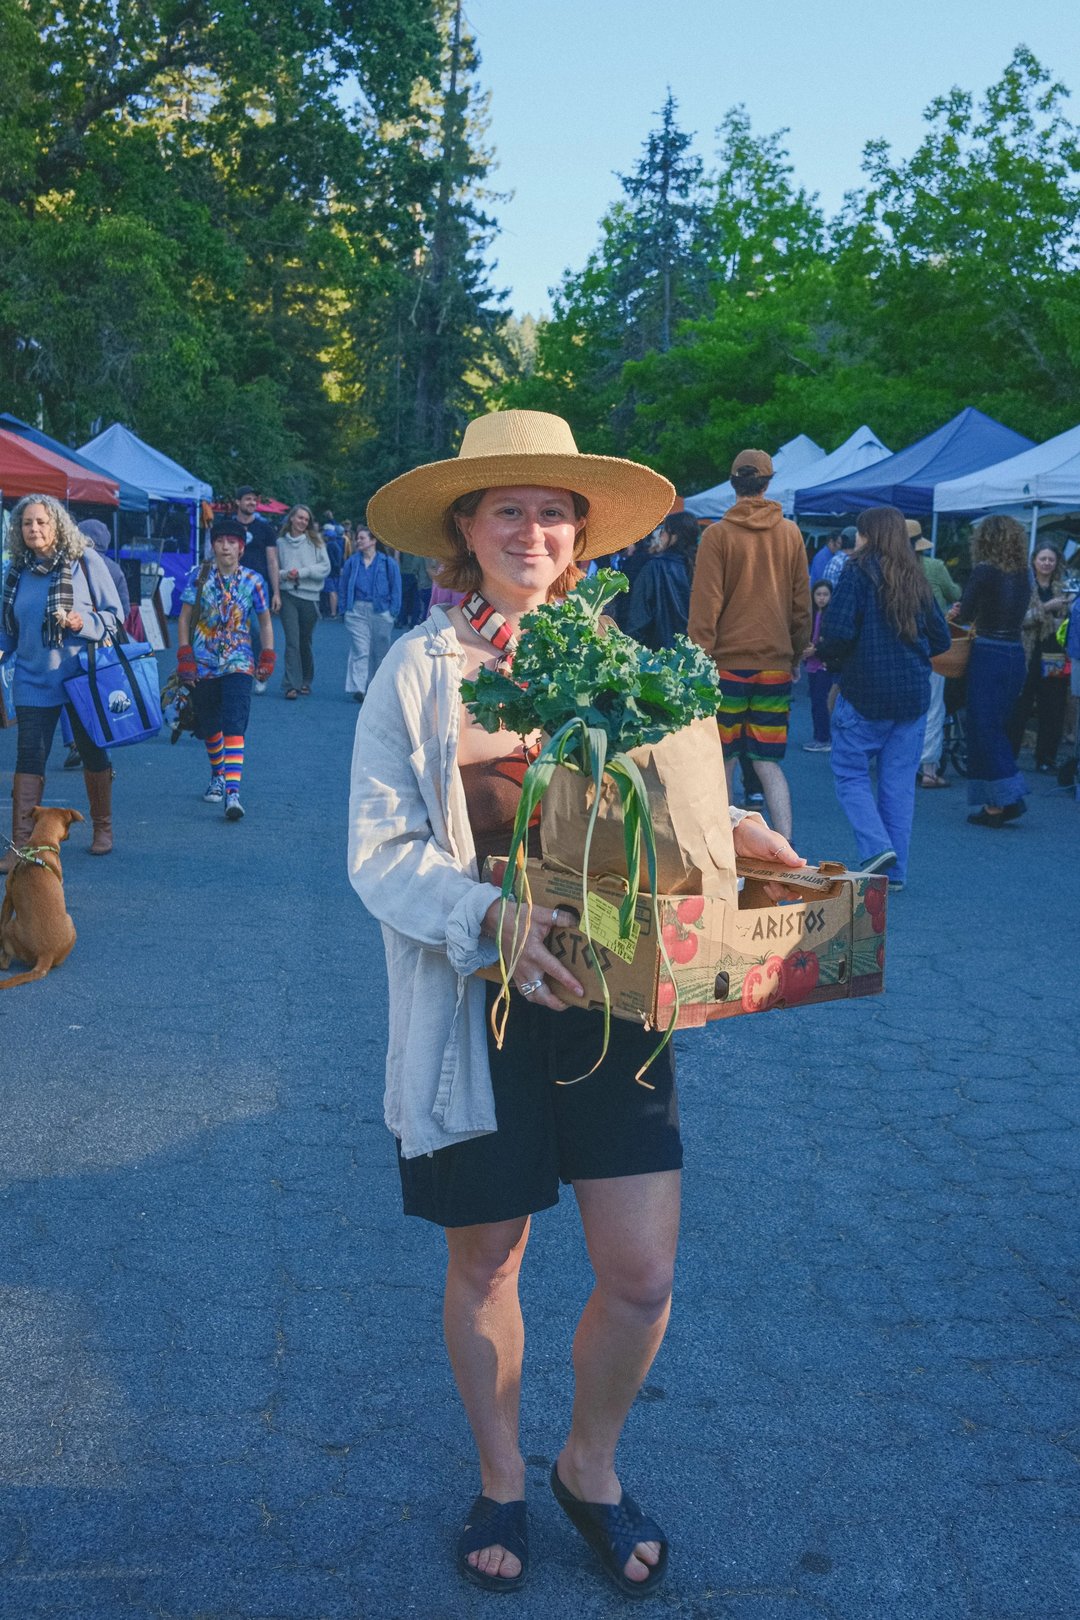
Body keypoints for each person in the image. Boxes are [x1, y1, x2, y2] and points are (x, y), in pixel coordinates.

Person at [347, 408, 806, 1600]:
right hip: (480, 1006)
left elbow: (672, 812)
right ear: (466, 526)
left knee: (642, 1270)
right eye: (509, 507)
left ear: (581, 533)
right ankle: (502, 1476)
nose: (535, 529)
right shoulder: (422, 668)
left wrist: (737, 835)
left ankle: (585, 1468)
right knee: (491, 1260)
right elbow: (379, 852)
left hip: (621, 998)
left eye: (555, 510)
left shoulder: (626, 659)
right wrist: (489, 915)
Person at [815, 505, 949, 889]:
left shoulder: (856, 574)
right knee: (899, 783)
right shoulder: (917, 578)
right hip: (911, 697)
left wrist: (828, 658)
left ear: (868, 535)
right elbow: (940, 639)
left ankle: (876, 847)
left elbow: (837, 633)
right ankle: (896, 872)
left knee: (850, 773)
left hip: (864, 693)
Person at [688, 447, 811, 840]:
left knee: (722, 759)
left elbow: (705, 606)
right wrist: (794, 651)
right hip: (775, 663)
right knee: (768, 761)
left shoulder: (717, 535)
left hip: (725, 665)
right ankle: (787, 841)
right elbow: (801, 603)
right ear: (769, 482)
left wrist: (698, 660)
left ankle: (725, 845)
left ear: (732, 483)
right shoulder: (790, 533)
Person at [0, 494, 122, 866]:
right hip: (32, 680)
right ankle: (21, 846)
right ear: (18, 530)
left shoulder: (85, 561)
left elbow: (115, 617)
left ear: (57, 525)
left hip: (80, 678)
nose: (34, 529)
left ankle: (102, 827)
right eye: (26, 523)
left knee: (91, 749)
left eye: (41, 522)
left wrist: (81, 622)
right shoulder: (15, 571)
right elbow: (8, 631)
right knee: (29, 758)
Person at [176, 516, 275, 821]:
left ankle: (233, 792)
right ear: (213, 545)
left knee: (234, 723)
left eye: (232, 542)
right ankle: (217, 773)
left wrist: (268, 654)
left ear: (241, 548)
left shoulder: (254, 581)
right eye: (220, 541)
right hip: (204, 663)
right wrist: (184, 655)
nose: (225, 547)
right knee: (209, 725)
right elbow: (183, 619)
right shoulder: (198, 575)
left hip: (239, 662)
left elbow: (265, 620)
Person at [951, 516, 1032, 826]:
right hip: (1014, 654)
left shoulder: (984, 571)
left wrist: (958, 610)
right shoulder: (1024, 574)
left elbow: (967, 613)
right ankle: (998, 801)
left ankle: (1004, 800)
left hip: (988, 652)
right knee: (995, 726)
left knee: (983, 727)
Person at [59, 519, 133, 772]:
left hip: (73, 642)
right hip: (104, 644)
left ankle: (73, 743)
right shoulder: (113, 567)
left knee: (68, 692)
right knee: (101, 694)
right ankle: (103, 744)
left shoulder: (70, 560)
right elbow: (122, 608)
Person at [1006, 543, 1072, 774]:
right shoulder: (1023, 586)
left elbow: (1069, 623)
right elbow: (1017, 620)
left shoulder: (1064, 588)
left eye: (1051, 560)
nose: (1046, 563)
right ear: (1034, 560)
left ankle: (1046, 758)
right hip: (1026, 653)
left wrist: (1062, 619)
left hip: (1054, 653)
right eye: (1043, 559)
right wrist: (1046, 608)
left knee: (1052, 707)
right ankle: (1008, 755)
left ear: (1057, 563)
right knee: (1019, 706)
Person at [910, 525, 962, 787]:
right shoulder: (934, 566)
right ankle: (929, 769)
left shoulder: (884, 570)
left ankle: (899, 763)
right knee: (932, 707)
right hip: (932, 647)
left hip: (898, 650)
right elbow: (955, 594)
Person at [339, 526, 401, 703]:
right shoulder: (352, 562)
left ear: (373, 541)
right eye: (358, 538)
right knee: (361, 648)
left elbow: (396, 588)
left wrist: (393, 612)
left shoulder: (387, 562)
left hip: (381, 611)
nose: (358, 541)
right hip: (356, 610)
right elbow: (343, 585)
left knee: (379, 651)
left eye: (362, 538)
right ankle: (359, 687)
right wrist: (345, 609)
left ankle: (375, 687)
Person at [276, 505, 331, 698]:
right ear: (291, 518)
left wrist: (302, 572)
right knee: (292, 641)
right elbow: (274, 569)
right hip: (288, 595)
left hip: (310, 596)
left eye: (306, 520)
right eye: (299, 518)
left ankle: (306, 679)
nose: (302, 522)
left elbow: (325, 568)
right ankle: (291, 685)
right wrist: (285, 574)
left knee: (304, 641)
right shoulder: (280, 543)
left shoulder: (315, 542)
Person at [624, 511, 698, 651]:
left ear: (674, 535)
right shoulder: (701, 567)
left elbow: (639, 617)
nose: (661, 535)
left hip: (660, 653)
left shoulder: (655, 567)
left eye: (663, 530)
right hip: (696, 651)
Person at [233, 487, 280, 691]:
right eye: (248, 499)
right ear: (238, 502)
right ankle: (235, 668)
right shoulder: (229, 526)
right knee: (236, 626)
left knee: (261, 628)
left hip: (258, 586)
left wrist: (276, 592)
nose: (252, 502)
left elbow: (272, 560)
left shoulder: (265, 529)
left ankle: (261, 672)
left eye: (254, 499)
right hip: (232, 584)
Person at [800, 579, 834, 752]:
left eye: (825, 595)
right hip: (812, 664)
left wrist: (817, 650)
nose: (821, 598)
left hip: (824, 664)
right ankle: (819, 736)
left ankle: (823, 738)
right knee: (816, 701)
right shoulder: (811, 615)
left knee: (821, 701)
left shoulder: (831, 616)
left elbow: (831, 641)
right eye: (818, 594)